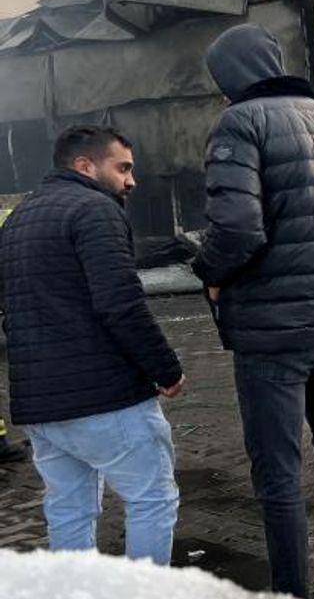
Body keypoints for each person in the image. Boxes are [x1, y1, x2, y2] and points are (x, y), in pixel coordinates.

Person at [195, 24, 314, 599]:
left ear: (230, 76)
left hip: (273, 333)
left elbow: (238, 228)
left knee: (279, 476)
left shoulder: (240, 124)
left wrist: (211, 275)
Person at [0, 125, 184, 563]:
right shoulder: (95, 210)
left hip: (41, 407)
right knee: (152, 500)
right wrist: (167, 369)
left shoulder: (19, 219)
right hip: (105, 400)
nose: (131, 180)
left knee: (68, 510)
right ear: (85, 166)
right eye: (122, 168)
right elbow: (120, 303)